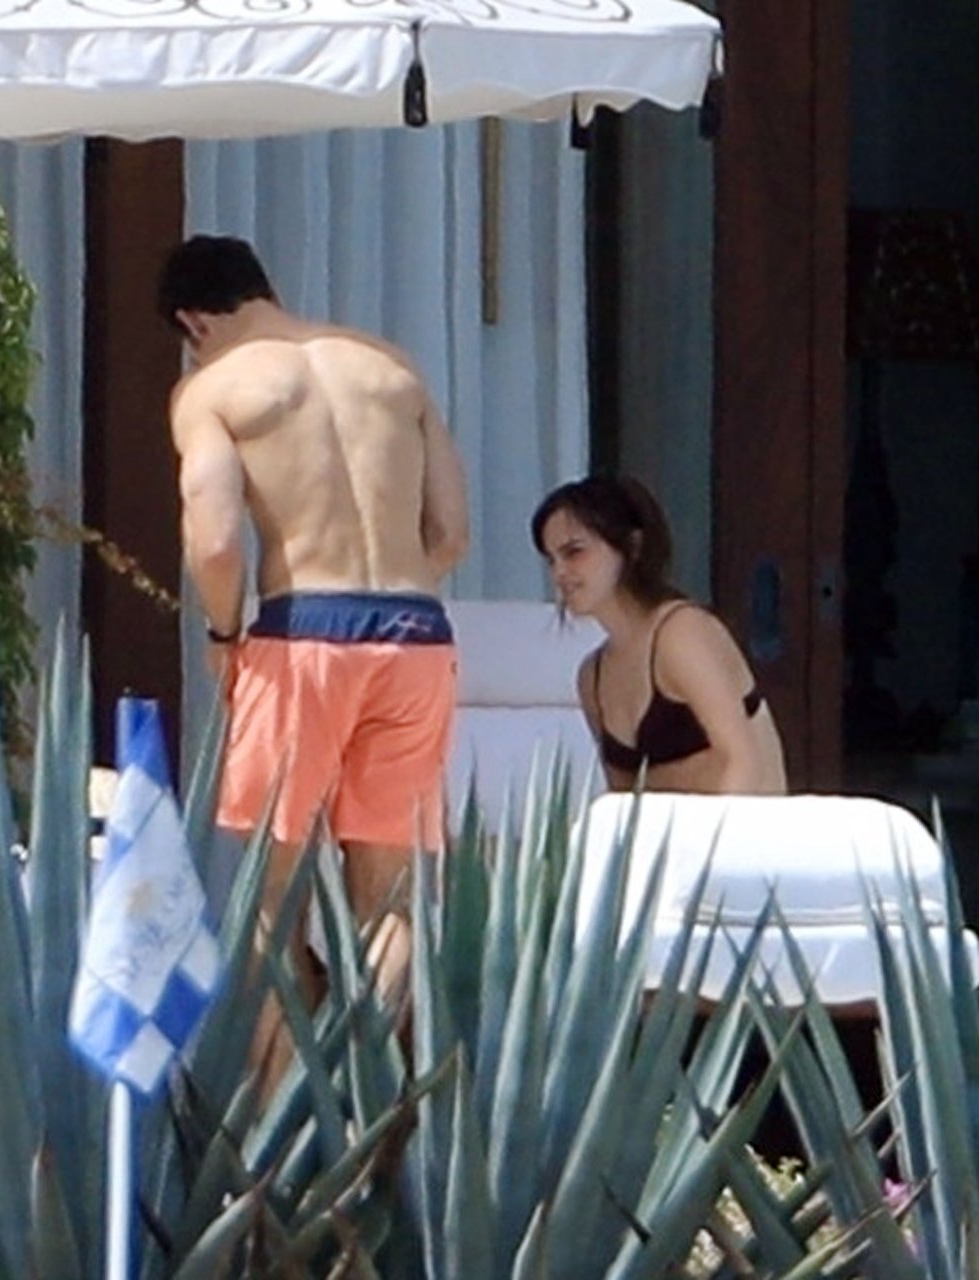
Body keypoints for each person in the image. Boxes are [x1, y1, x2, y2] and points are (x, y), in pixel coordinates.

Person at [159, 234, 469, 1071]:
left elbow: (214, 541)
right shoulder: (390, 368)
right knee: (392, 902)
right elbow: (449, 532)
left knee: (272, 898)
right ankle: (374, 1108)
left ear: (194, 323)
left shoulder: (211, 388)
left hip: (302, 632)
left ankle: (278, 1120)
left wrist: (224, 633)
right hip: (415, 633)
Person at [530, 475, 787, 795]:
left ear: (632, 546)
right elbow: (623, 797)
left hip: (745, 822)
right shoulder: (592, 678)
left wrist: (717, 830)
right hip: (665, 828)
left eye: (574, 552)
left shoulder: (681, 633)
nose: (559, 573)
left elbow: (743, 761)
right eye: (551, 560)